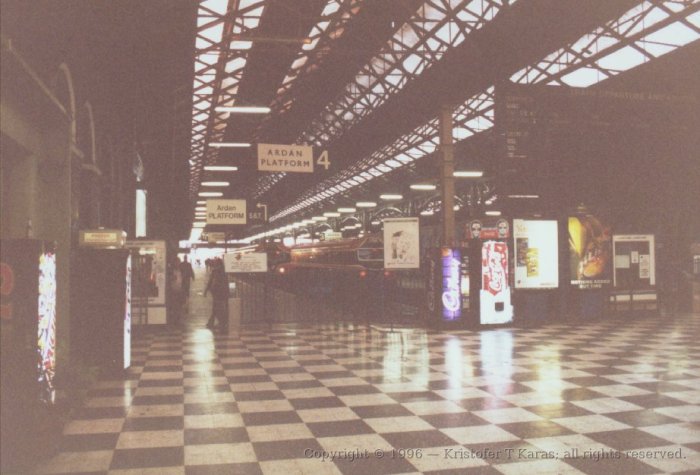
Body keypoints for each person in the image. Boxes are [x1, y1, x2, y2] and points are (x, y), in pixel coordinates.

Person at [204, 259, 229, 333]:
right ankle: (215, 322)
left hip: (218, 293)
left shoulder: (218, 272)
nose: (214, 264)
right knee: (217, 307)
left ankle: (220, 322)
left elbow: (211, 281)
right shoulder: (221, 271)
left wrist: (206, 290)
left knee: (217, 308)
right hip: (218, 293)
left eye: (215, 263)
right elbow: (211, 281)